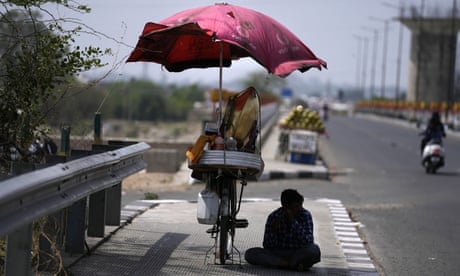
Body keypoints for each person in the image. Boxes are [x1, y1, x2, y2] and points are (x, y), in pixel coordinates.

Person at [245, 189, 321, 271]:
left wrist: (293, 223)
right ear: (286, 207)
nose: (300, 209)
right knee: (250, 254)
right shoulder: (274, 216)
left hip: (297, 252)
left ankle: (285, 264)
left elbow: (308, 241)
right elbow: (267, 245)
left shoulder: (305, 215)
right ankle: (291, 264)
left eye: (300, 205)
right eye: (296, 206)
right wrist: (274, 231)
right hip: (278, 253)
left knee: (314, 250)